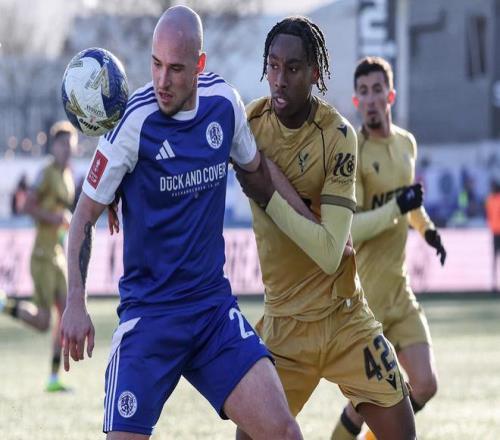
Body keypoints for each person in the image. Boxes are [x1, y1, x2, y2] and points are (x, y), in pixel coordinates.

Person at [60, 6, 302, 440]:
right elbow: (82, 219)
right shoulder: (132, 123)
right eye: (155, 64)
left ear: (199, 65)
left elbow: (259, 173)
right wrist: (75, 301)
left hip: (212, 311)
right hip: (149, 318)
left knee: (284, 432)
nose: (162, 80)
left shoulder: (224, 105)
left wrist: (312, 224)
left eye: (175, 69)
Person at [233, 17, 416, 440]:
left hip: (344, 318)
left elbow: (331, 253)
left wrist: (268, 194)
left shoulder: (337, 136)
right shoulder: (248, 125)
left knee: (403, 434)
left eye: (293, 68)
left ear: (315, 73)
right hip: (283, 326)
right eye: (273, 66)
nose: (279, 79)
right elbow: (187, 152)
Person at [330, 56, 446, 440]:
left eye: (377, 89)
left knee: (425, 384)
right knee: (364, 404)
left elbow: (409, 204)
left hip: (400, 292)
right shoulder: (355, 152)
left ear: (390, 95)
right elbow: (352, 228)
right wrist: (399, 207)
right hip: (368, 301)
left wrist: (427, 230)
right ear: (356, 100)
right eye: (363, 92)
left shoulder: (407, 143)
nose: (371, 99)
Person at [0, 121, 76, 392]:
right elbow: (27, 206)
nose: (67, 149)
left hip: (57, 254)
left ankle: (54, 378)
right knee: (44, 322)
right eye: (62, 144)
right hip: (42, 255)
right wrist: (54, 218)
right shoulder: (46, 172)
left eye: (70, 145)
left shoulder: (67, 175)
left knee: (66, 315)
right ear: (53, 146)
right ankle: (4, 305)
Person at [486, 180, 500, 291]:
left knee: (495, 258)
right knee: (494, 258)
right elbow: (489, 215)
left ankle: (495, 282)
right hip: (495, 232)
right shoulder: (490, 200)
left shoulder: (492, 200)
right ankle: (494, 282)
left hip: (496, 231)